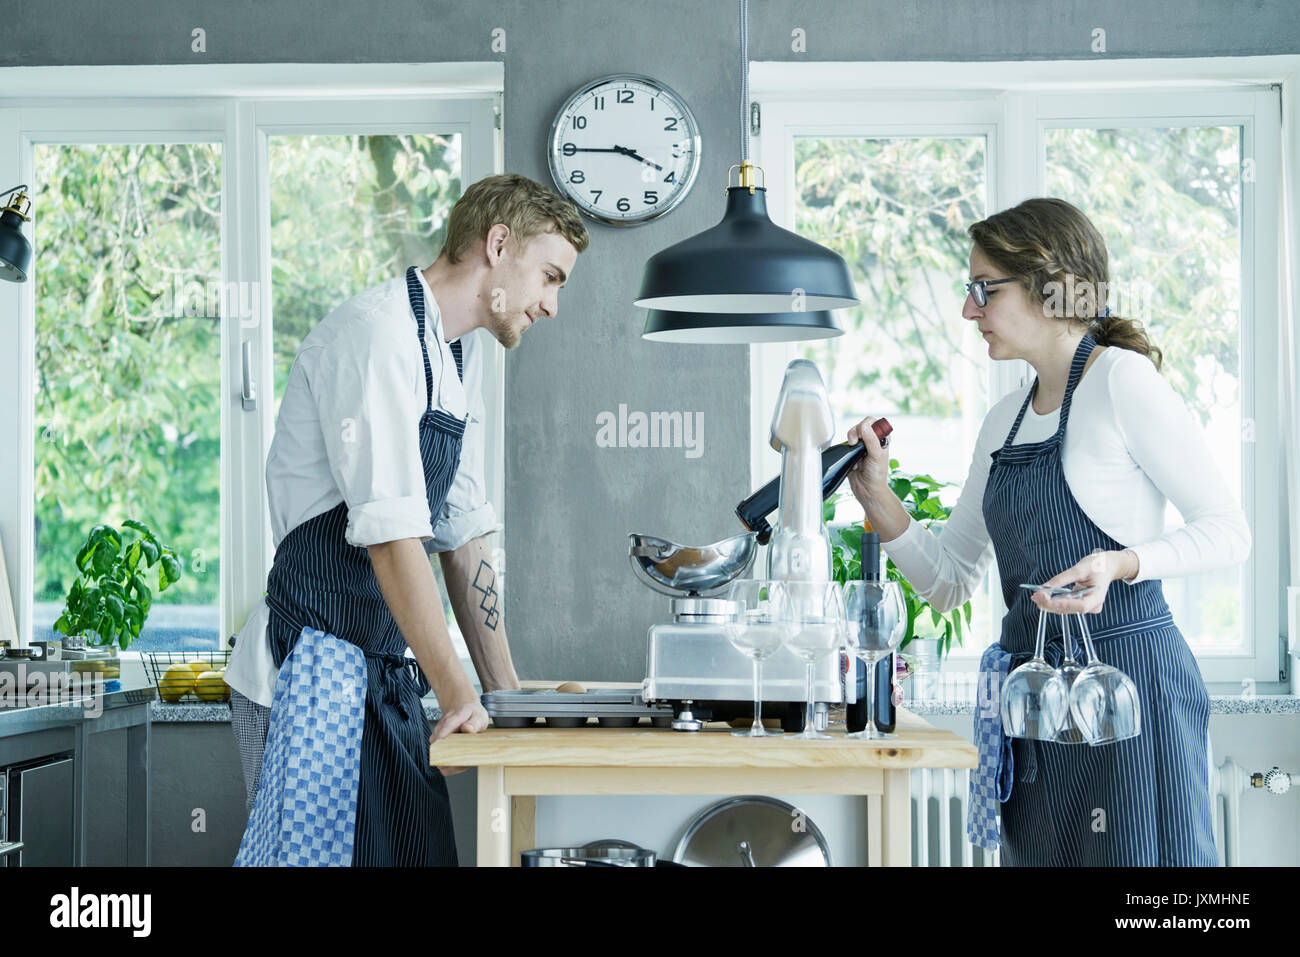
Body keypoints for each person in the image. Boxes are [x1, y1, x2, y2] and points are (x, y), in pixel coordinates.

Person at [844, 197, 1250, 866]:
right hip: (1032, 697)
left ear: (1048, 286)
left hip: (1128, 685)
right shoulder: (1003, 418)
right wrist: (877, 496)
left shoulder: (1123, 381)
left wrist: (1119, 565)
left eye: (984, 289)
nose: (968, 310)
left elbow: (1229, 532)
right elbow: (948, 582)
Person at [225, 173, 589, 865]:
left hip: (385, 670)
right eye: (549, 276)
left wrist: (502, 694)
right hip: (314, 667)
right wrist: (457, 695)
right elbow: (394, 541)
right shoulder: (373, 335)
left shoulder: (458, 352)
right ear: (498, 243)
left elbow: (462, 532)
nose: (551, 304)